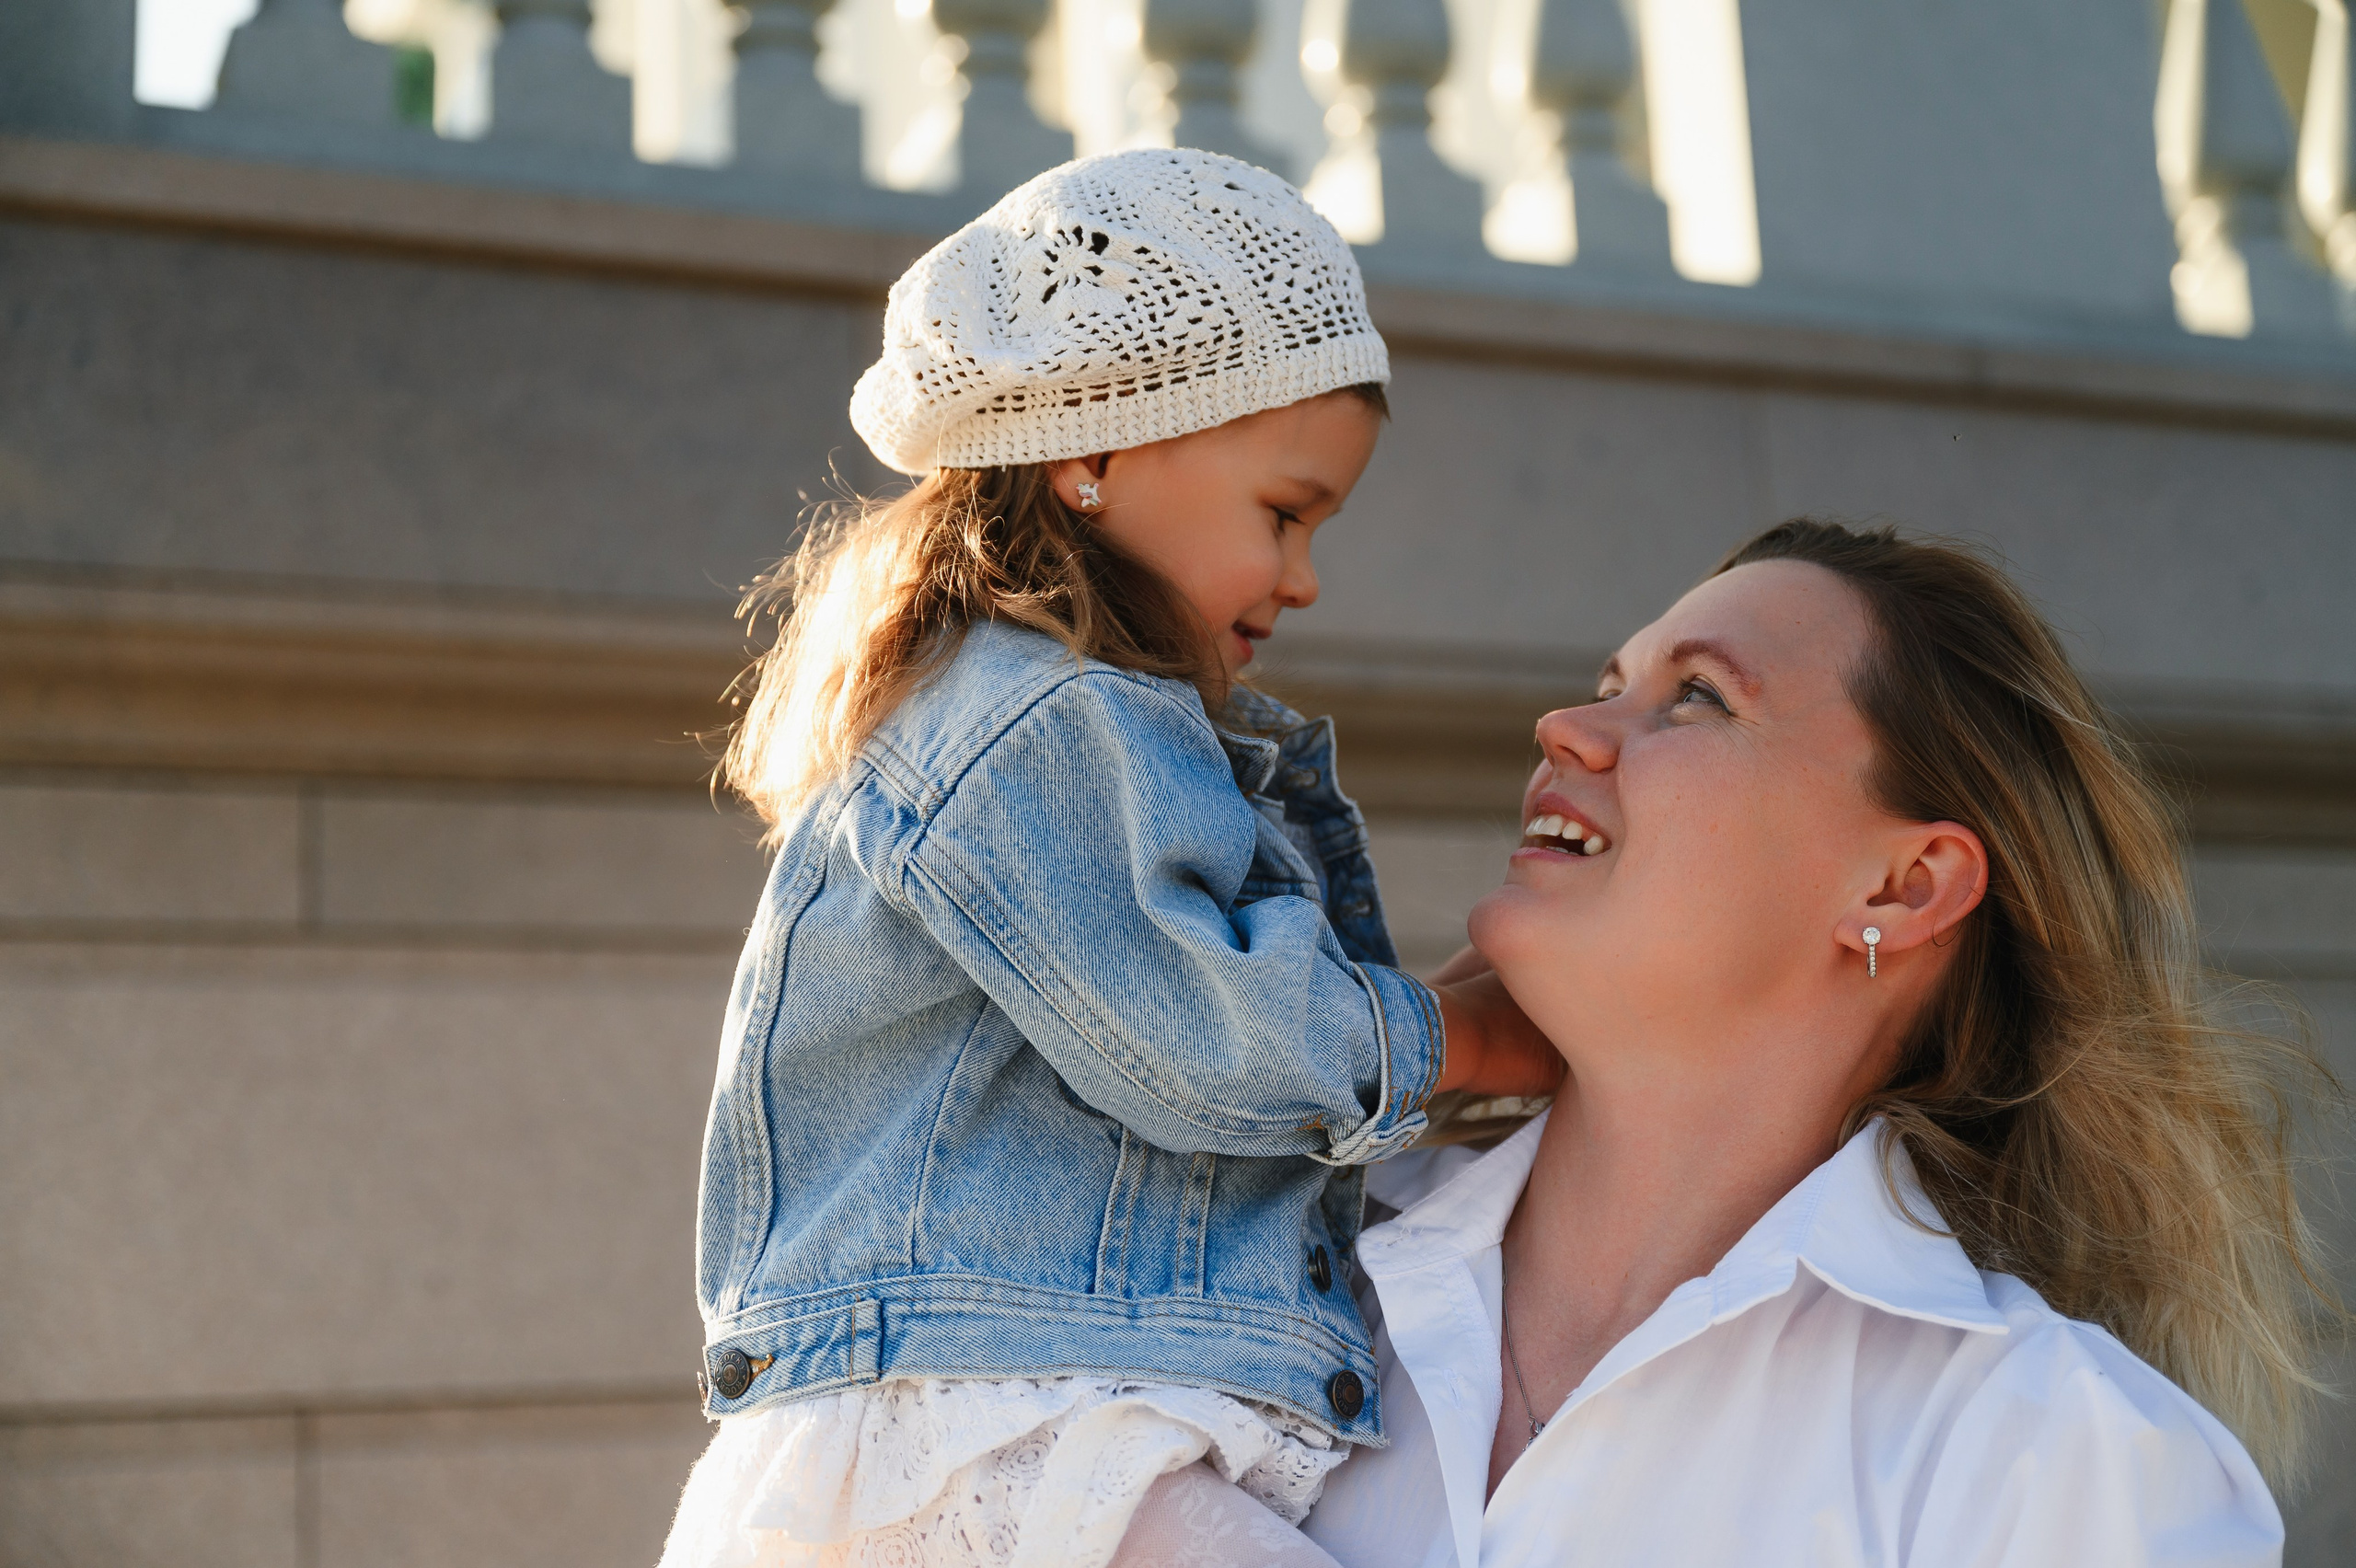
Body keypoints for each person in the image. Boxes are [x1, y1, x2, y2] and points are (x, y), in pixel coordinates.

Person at [657, 148, 1560, 1568]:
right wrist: (1488, 1039)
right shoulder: (1044, 716)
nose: (1305, 577)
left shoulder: (1049, 715)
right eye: (1285, 513)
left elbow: (1212, 1023)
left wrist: (1421, 1029)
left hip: (1036, 1413)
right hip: (996, 1434)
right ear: (1097, 453)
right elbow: (1217, 1038)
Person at [1305, 521, 2338, 1567]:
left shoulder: (2048, 1459)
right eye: (1608, 684)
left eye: (1699, 695)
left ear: (1905, 888)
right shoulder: (1285, 1251)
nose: (1563, 727)